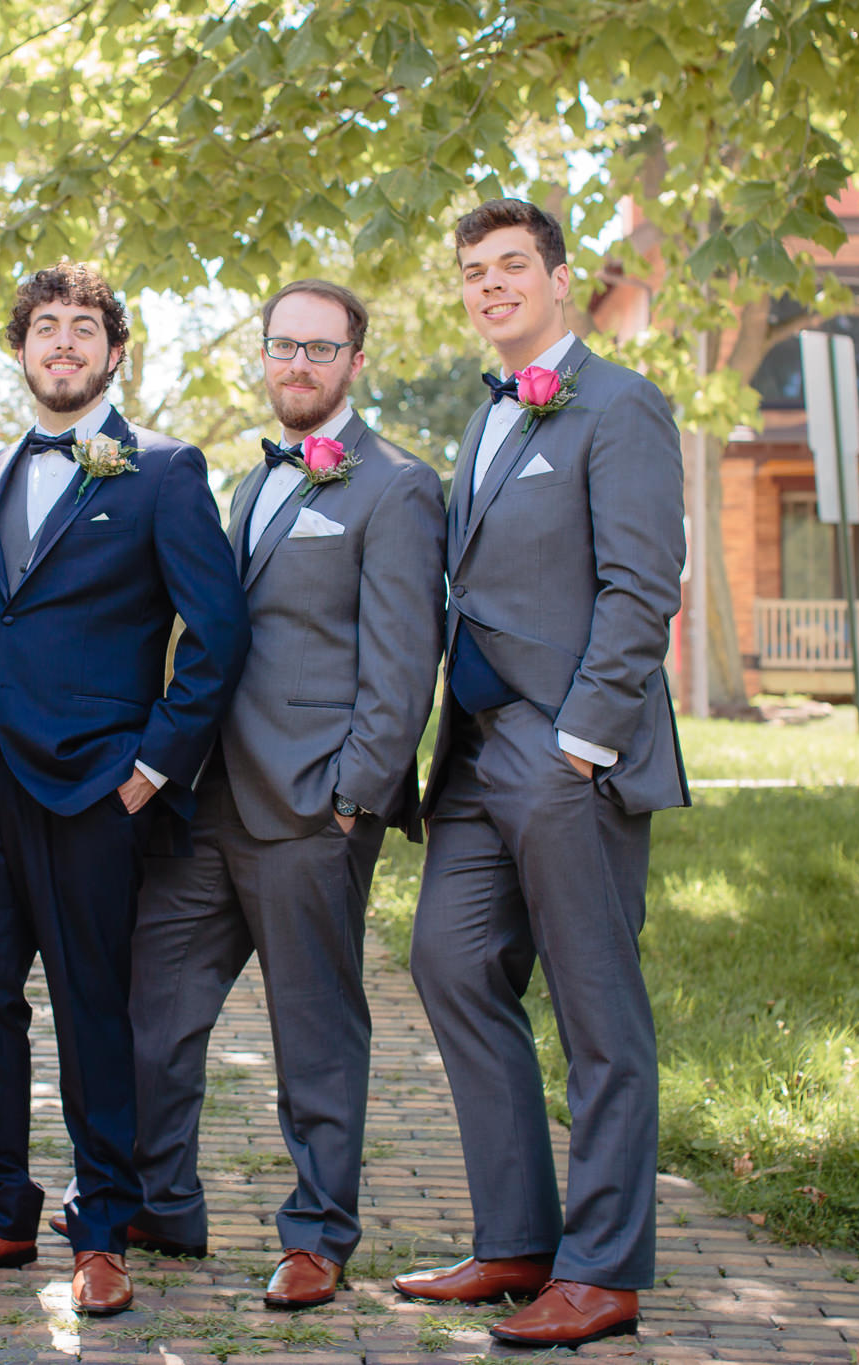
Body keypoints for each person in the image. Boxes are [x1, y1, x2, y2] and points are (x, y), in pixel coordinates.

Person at [0, 261, 249, 1317]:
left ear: (113, 351)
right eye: (43, 327)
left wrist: (151, 767)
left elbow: (217, 631)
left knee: (94, 1012)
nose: (62, 343)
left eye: (82, 328)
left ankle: (102, 1223)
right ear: (20, 350)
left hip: (95, 791)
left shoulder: (161, 470)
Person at [393, 199, 689, 1349]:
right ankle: (515, 1239)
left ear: (559, 281)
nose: (490, 286)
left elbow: (638, 585)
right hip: (469, 754)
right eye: (473, 271)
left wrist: (582, 740)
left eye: (511, 266)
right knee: (448, 959)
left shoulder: (618, 404)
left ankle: (603, 1268)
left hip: (566, 750)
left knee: (595, 1009)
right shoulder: (491, 420)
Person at [115, 279, 445, 1308]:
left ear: (355, 361)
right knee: (154, 1014)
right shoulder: (251, 484)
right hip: (206, 802)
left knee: (314, 1032)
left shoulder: (394, 486)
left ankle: (316, 1236)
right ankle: (161, 1204)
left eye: (318, 349)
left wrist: (352, 797)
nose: (295, 365)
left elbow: (401, 662)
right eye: (281, 347)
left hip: (309, 810)